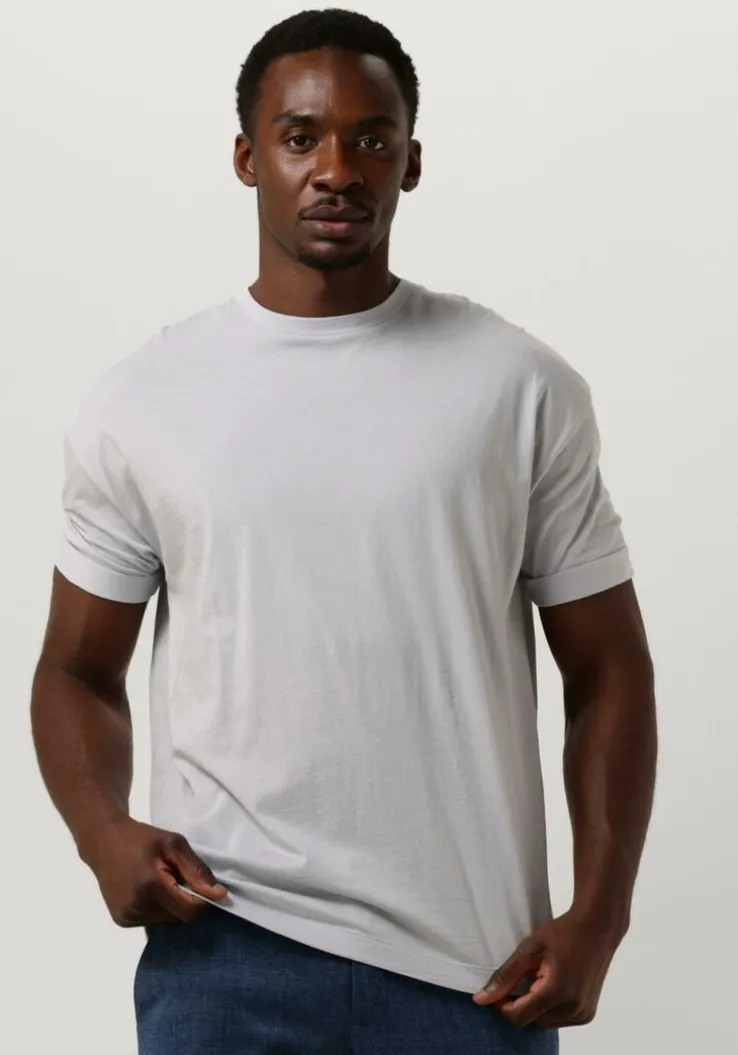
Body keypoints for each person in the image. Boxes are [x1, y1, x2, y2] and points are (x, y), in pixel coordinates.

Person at [30, 8, 657, 1054]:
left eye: (372, 138)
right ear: (248, 158)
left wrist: (601, 915)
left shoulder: (519, 387)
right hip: (224, 945)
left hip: (474, 973)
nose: (337, 168)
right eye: (301, 136)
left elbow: (609, 667)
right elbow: (75, 668)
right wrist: (102, 832)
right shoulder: (144, 401)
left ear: (411, 162)